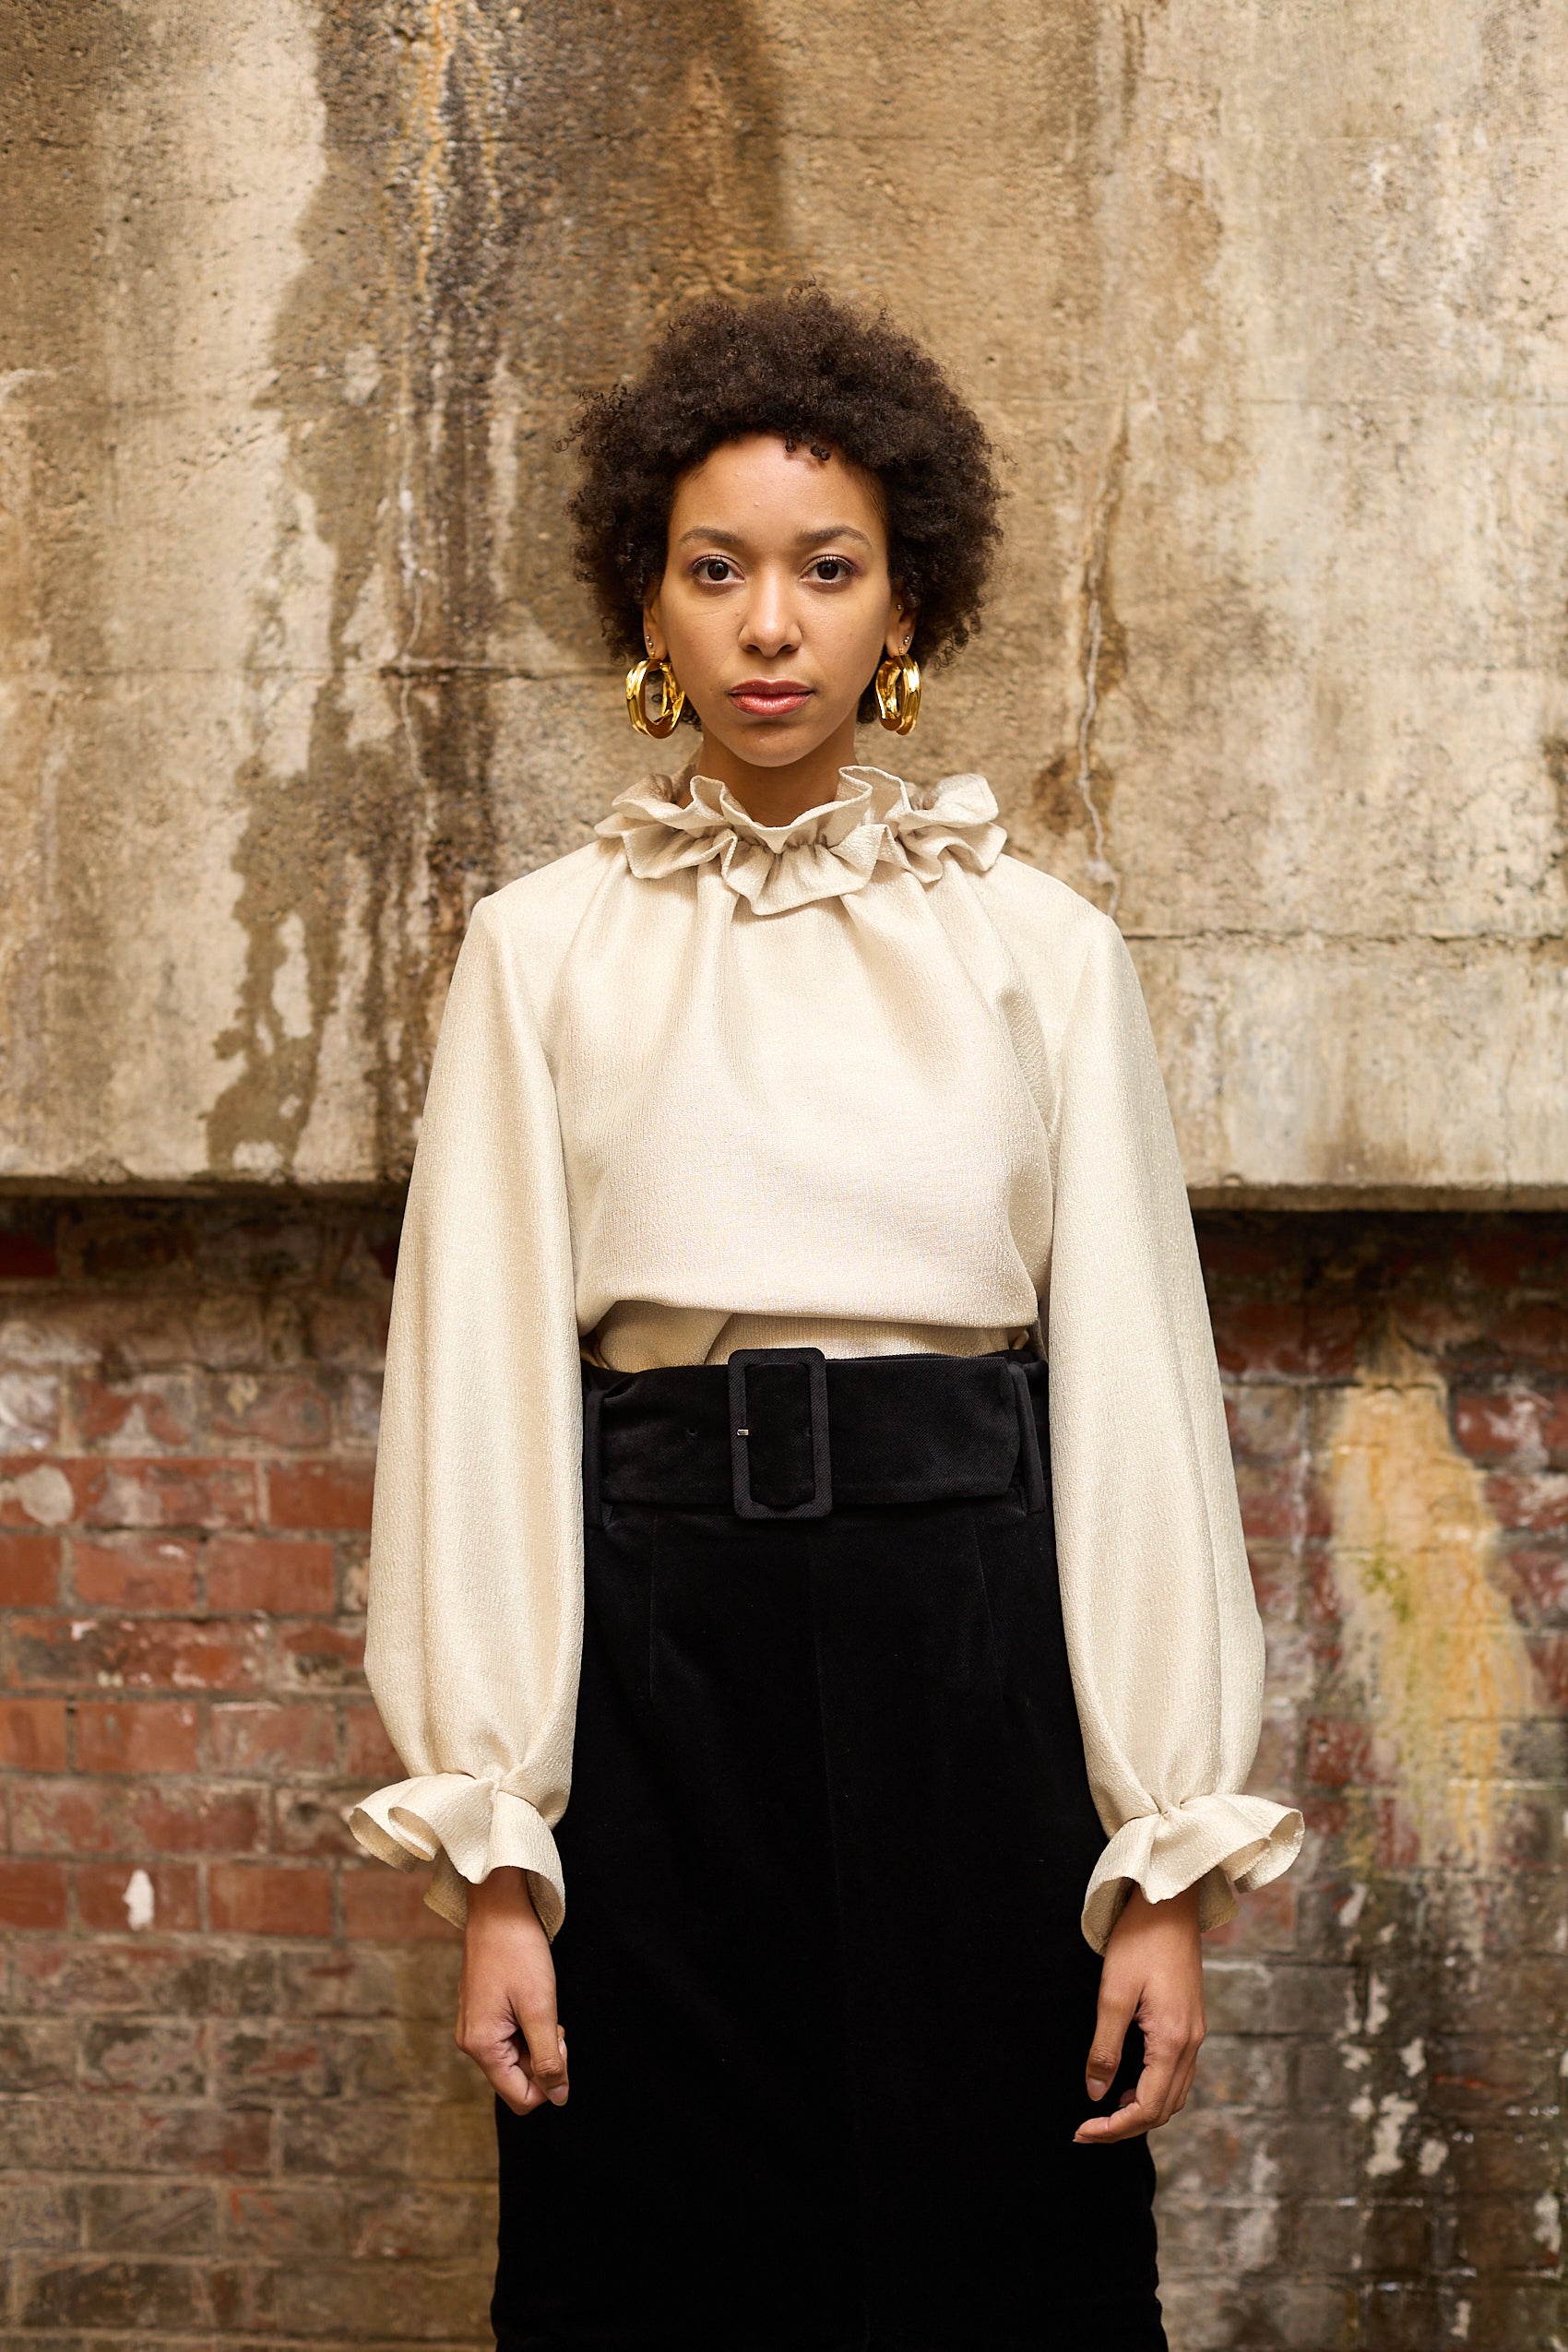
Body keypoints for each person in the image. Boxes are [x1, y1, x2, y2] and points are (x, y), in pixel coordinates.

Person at [350, 286, 1302, 2352]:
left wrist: (1157, 1865)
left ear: (900, 612)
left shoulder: (1035, 952)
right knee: (655, 2281)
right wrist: (499, 1862)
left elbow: (1134, 1398)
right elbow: (480, 1402)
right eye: (716, 572)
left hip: (975, 1686)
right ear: (650, 607)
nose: (768, 623)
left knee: (999, 2282)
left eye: (824, 569)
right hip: (657, 1693)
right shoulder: (541, 954)